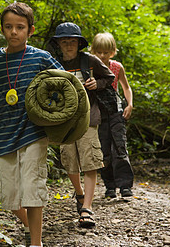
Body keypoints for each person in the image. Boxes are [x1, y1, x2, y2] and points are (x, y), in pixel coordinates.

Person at [0, 2, 63, 247]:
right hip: (3, 135)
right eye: (9, 27)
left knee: (33, 190)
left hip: (33, 133)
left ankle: (36, 243)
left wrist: (51, 107)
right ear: (2, 29)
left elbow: (65, 84)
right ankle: (27, 225)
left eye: (20, 27)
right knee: (10, 197)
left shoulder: (41, 57)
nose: (14, 32)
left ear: (31, 30)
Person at [49, 22, 115, 228]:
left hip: (89, 118)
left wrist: (98, 84)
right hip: (63, 120)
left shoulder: (90, 60)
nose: (69, 45)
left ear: (79, 43)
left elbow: (109, 77)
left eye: (73, 41)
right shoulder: (52, 63)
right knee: (69, 161)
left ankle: (87, 207)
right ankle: (79, 193)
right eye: (65, 41)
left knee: (90, 161)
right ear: (59, 44)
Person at [91, 32, 135, 198]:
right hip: (98, 114)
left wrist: (129, 104)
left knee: (120, 147)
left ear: (113, 52)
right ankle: (109, 186)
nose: (102, 56)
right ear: (93, 51)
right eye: (99, 52)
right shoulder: (90, 68)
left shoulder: (117, 67)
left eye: (106, 53)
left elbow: (126, 87)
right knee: (103, 150)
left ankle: (125, 186)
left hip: (116, 112)